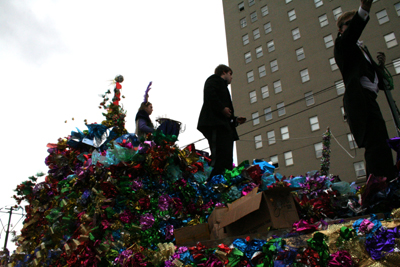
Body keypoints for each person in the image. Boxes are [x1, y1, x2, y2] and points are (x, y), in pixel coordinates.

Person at [334, 0, 395, 180]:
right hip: (360, 101)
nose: (353, 26)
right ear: (341, 30)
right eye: (349, 24)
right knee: (375, 145)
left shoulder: (361, 49)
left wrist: (380, 68)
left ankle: (386, 182)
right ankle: (378, 188)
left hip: (370, 99)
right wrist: (364, 11)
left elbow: (377, 80)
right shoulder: (343, 45)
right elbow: (351, 35)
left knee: (382, 144)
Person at [197, 64, 246, 181]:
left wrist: (234, 119)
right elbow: (210, 95)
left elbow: (225, 112)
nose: (231, 78)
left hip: (224, 127)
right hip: (215, 125)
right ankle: (213, 182)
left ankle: (224, 179)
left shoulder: (222, 86)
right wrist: (222, 109)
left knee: (226, 156)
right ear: (224, 72)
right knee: (218, 155)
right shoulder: (213, 80)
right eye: (230, 74)